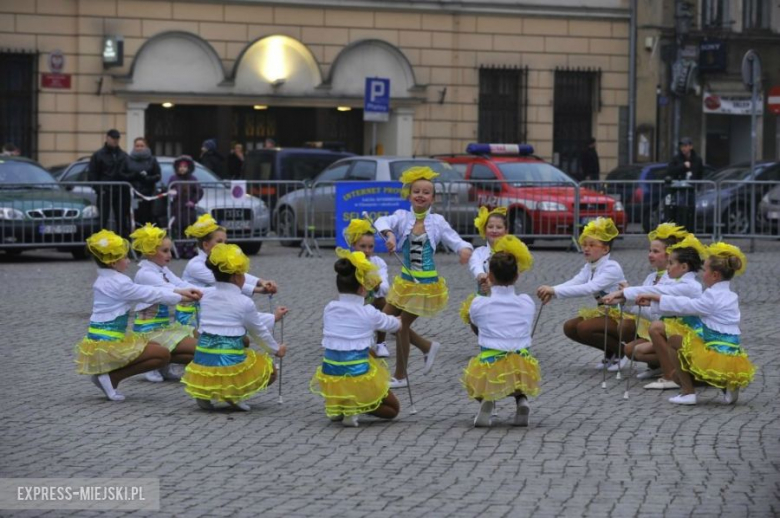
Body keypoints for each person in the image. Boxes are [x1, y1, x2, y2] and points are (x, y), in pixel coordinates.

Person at [375, 167, 474, 388]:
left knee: (400, 325)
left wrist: (463, 249)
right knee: (384, 320)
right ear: (409, 195)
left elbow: (454, 239)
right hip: (404, 282)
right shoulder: (402, 217)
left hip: (425, 285)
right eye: (416, 191)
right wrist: (389, 235)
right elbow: (382, 221)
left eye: (426, 192)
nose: (420, 195)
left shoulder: (437, 221)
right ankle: (426, 346)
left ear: (433, 198)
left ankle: (401, 376)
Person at [74, 229, 201, 401]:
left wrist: (181, 292)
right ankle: (110, 378)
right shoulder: (119, 282)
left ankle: (107, 376)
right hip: (110, 343)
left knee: (162, 352)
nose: (128, 261)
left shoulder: (104, 280)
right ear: (113, 262)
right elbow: (151, 294)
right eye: (125, 257)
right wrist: (182, 296)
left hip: (100, 341)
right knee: (161, 355)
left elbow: (152, 290)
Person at [636, 242, 755, 405]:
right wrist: (654, 301)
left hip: (714, 350)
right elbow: (690, 304)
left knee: (673, 341)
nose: (702, 273)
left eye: (705, 270)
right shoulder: (730, 295)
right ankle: (725, 384)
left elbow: (688, 306)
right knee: (679, 375)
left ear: (715, 275)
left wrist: (656, 298)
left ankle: (688, 393)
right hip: (731, 352)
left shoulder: (712, 296)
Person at [181, 244, 287, 411]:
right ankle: (235, 393)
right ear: (238, 277)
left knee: (210, 360)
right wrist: (276, 349)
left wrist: (273, 317)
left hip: (203, 356)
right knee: (270, 370)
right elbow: (257, 331)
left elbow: (237, 317)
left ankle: (203, 394)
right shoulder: (244, 302)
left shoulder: (205, 295)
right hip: (230, 356)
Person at [310, 249, 402, 427]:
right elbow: (393, 325)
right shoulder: (368, 311)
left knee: (366, 352)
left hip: (331, 372)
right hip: (356, 372)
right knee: (393, 409)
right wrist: (398, 320)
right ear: (362, 288)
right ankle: (357, 405)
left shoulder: (329, 308)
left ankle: (339, 405)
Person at [603, 231, 704, 385]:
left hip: (690, 334)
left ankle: (673, 376)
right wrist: (625, 300)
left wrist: (623, 292)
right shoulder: (672, 280)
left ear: (684, 266)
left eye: (671, 263)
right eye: (650, 250)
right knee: (636, 350)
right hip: (676, 331)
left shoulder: (689, 285)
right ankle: (667, 368)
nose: (650, 254)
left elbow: (659, 293)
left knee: (656, 328)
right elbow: (663, 303)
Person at [463, 235, 539, 428]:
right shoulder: (526, 302)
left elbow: (473, 319)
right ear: (517, 276)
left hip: (491, 361)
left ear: (489, 276)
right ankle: (521, 400)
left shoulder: (481, 303)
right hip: (522, 362)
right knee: (515, 375)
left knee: (475, 379)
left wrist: (483, 293)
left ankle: (487, 399)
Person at [536, 218, 625, 368]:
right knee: (570, 327)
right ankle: (611, 353)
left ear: (605, 249)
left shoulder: (611, 268)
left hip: (621, 315)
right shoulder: (590, 266)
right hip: (604, 312)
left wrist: (554, 290)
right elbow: (575, 281)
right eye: (584, 244)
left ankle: (623, 352)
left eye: (592, 245)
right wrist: (552, 290)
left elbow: (589, 288)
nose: (586, 248)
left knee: (585, 328)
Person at [130, 223, 199, 383]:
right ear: (150, 252)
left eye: (170, 250)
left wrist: (198, 291)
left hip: (161, 323)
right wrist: (189, 294)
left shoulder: (162, 269)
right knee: (171, 341)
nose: (170, 254)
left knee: (174, 338)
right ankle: (150, 364)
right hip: (148, 326)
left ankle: (164, 365)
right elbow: (168, 289)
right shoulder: (145, 273)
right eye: (165, 251)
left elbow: (179, 283)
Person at [180, 214, 277, 326]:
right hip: (191, 316)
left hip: (208, 310)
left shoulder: (217, 261)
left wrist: (261, 281)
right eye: (219, 242)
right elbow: (228, 282)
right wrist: (258, 290)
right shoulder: (195, 265)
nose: (224, 246)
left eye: (225, 242)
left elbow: (237, 273)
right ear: (206, 245)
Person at [343, 218, 394, 358]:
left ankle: (381, 342)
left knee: (384, 301)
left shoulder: (378, 262)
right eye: (363, 246)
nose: (367, 250)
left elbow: (385, 287)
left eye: (370, 247)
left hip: (373, 300)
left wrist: (377, 285)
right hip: (354, 301)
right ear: (354, 245)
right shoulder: (348, 262)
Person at [460, 206, 509, 323]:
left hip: (504, 301)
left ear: (506, 231)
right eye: (490, 227)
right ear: (484, 229)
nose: (494, 230)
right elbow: (474, 264)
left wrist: (493, 283)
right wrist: (481, 275)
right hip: (484, 300)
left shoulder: (510, 252)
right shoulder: (479, 252)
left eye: (499, 227)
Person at [88, 129, 130, 237]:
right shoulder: (98, 155)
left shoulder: (123, 155)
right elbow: (92, 174)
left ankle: (122, 244)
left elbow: (128, 171)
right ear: (107, 138)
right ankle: (100, 244)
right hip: (105, 191)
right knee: (102, 219)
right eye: (113, 138)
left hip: (121, 191)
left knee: (121, 219)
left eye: (117, 139)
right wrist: (98, 189)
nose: (115, 141)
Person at [168, 155, 203, 258]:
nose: (182, 168)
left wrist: (193, 201)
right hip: (177, 209)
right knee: (178, 229)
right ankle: (178, 249)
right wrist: (172, 194)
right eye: (180, 166)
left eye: (184, 166)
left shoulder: (193, 179)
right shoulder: (173, 179)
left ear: (189, 168)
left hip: (189, 210)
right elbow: (169, 190)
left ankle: (189, 249)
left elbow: (199, 191)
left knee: (189, 230)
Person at [124, 137, 162, 227]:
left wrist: (147, 178)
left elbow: (158, 176)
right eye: (137, 146)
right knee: (133, 217)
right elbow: (122, 174)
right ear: (134, 147)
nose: (139, 148)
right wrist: (133, 175)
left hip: (148, 194)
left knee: (147, 218)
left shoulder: (152, 160)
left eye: (142, 146)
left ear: (146, 147)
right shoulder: (128, 160)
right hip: (132, 194)